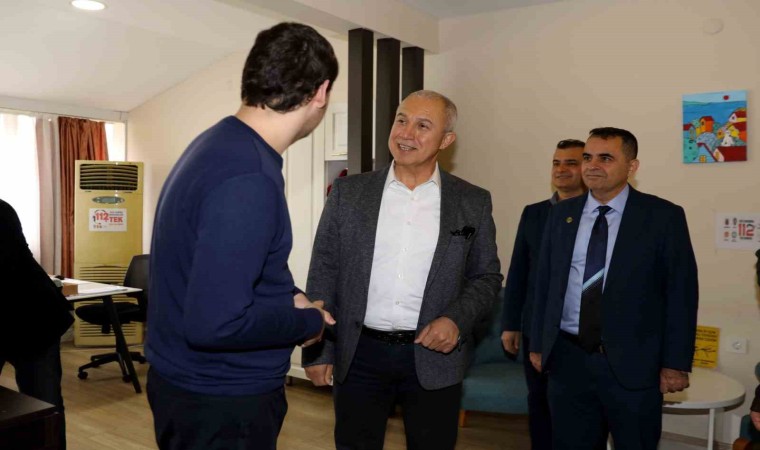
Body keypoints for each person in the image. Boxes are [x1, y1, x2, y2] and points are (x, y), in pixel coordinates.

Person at [145, 22, 338, 450]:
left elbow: (225, 269)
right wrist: (308, 321)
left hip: (188, 387)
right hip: (222, 402)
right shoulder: (249, 177)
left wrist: (290, 295)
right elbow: (216, 324)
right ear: (321, 92)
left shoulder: (217, 144)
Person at [302, 90, 503, 450]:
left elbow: (486, 277)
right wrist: (318, 351)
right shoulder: (348, 192)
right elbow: (324, 270)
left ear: (446, 140)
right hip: (358, 354)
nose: (406, 133)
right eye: (401, 120)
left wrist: (456, 319)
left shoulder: (471, 201)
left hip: (434, 357)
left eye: (423, 125)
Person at [529, 127, 699, 450]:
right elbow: (545, 284)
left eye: (605, 158)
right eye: (587, 158)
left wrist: (675, 363)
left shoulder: (663, 217)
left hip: (634, 365)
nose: (592, 166)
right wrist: (538, 343)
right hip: (568, 361)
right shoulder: (562, 215)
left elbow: (681, 295)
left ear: (632, 167)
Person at [501, 138, 586, 450]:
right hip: (537, 329)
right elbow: (518, 272)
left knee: (579, 409)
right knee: (539, 401)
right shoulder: (534, 213)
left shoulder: (597, 215)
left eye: (571, 163)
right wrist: (511, 324)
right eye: (556, 163)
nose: (561, 169)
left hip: (580, 333)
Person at [0, 198, 74, 450]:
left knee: (44, 407)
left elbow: (8, 268)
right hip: (14, 316)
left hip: (33, 320)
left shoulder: (1, 211)